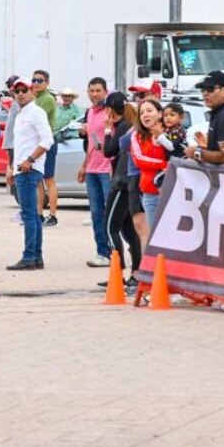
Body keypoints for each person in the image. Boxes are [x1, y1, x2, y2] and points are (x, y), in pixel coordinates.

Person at [6, 80, 53, 271]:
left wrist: (30, 160)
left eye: (24, 90)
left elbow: (47, 140)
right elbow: (20, 145)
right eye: (16, 91)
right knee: (32, 215)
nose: (20, 94)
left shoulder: (36, 112)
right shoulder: (20, 114)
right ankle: (36, 257)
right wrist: (12, 168)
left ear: (32, 91)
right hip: (21, 169)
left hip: (29, 169)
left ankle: (29, 256)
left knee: (29, 215)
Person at [100, 94, 142, 292]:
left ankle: (117, 271)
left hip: (122, 182)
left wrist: (108, 131)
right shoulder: (129, 124)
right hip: (127, 181)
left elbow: (109, 151)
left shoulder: (124, 126)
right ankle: (136, 272)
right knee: (128, 230)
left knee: (110, 227)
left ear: (110, 109)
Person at [76, 77, 113, 267]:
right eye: (91, 91)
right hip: (92, 169)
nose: (94, 94)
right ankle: (102, 252)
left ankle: (119, 252)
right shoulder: (90, 112)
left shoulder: (111, 112)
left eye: (98, 90)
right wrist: (84, 165)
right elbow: (91, 143)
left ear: (106, 91)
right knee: (96, 213)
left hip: (108, 169)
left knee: (113, 214)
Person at [184, 70, 224, 165]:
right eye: (203, 90)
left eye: (210, 89)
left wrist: (196, 153)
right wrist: (207, 146)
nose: (205, 93)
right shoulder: (220, 112)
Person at [131, 99, 168, 229]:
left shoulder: (170, 133)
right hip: (150, 193)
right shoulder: (136, 135)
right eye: (141, 113)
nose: (145, 115)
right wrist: (164, 165)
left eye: (149, 111)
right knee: (155, 237)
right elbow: (139, 160)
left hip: (171, 193)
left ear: (160, 114)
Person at [32, 70, 60, 226]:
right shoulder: (36, 98)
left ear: (47, 82)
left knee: (49, 180)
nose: (36, 83)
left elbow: (35, 117)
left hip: (47, 142)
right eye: (34, 80)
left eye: (39, 80)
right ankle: (39, 214)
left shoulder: (47, 99)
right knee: (39, 181)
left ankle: (53, 215)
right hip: (38, 143)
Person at [2, 75, 25, 224]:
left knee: (19, 178)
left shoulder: (22, 105)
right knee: (15, 177)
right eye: (10, 86)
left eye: (14, 86)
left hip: (17, 146)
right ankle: (23, 208)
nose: (12, 89)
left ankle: (24, 210)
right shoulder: (14, 104)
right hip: (11, 145)